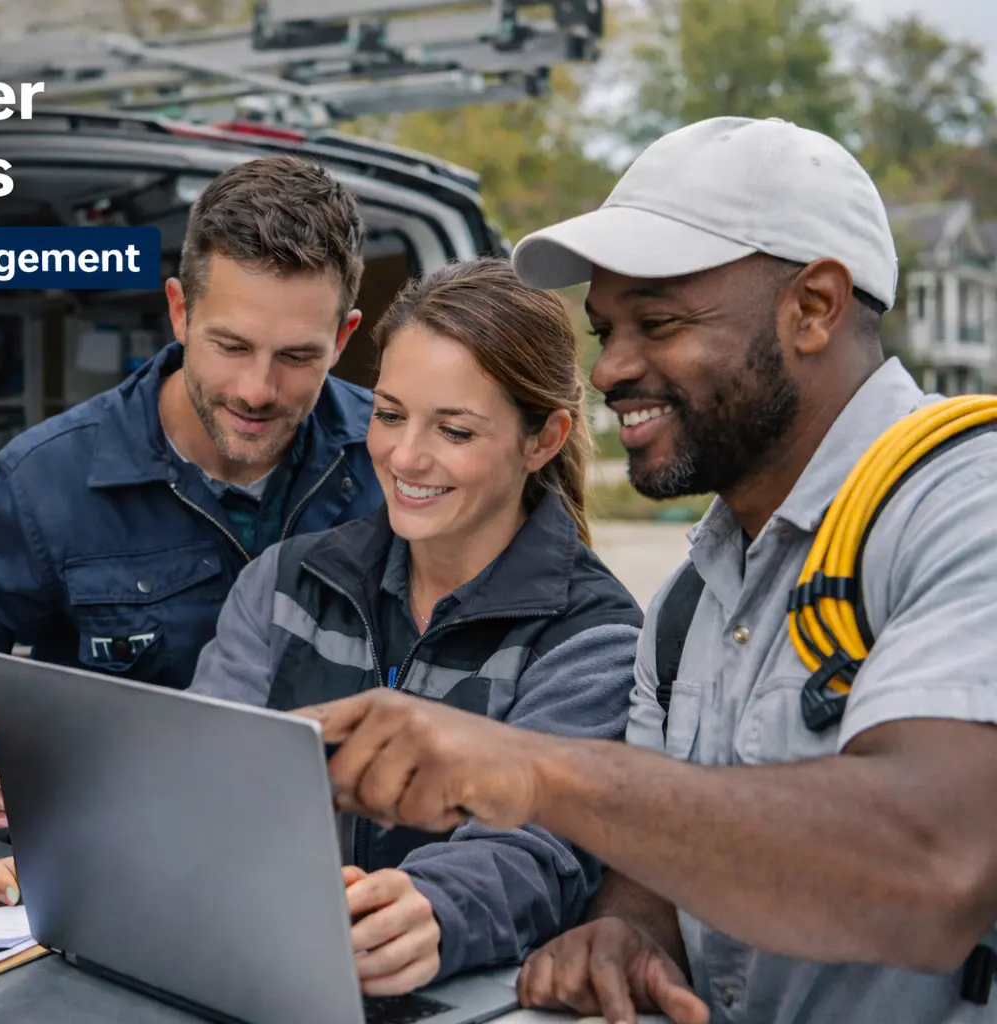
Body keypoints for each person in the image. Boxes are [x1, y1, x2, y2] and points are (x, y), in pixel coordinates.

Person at [293, 116, 997, 1024]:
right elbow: (656, 871)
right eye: (606, 329)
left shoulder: (964, 506)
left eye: (658, 322)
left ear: (814, 307)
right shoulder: (687, 603)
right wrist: (631, 931)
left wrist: (541, 772)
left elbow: (936, 866)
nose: (612, 369)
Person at [0, 256, 647, 998]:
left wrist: (434, 908)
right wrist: (93, 854)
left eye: (454, 431)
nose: (406, 456)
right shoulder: (283, 582)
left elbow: (537, 847)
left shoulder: (594, 637)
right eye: (390, 414)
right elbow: (200, 781)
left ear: (544, 439)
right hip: (264, 981)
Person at [0, 154, 387, 832]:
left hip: (344, 862)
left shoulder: (395, 460)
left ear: (344, 336)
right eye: (231, 346)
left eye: (298, 357)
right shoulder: (48, 481)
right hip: (112, 854)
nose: (257, 391)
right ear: (179, 310)